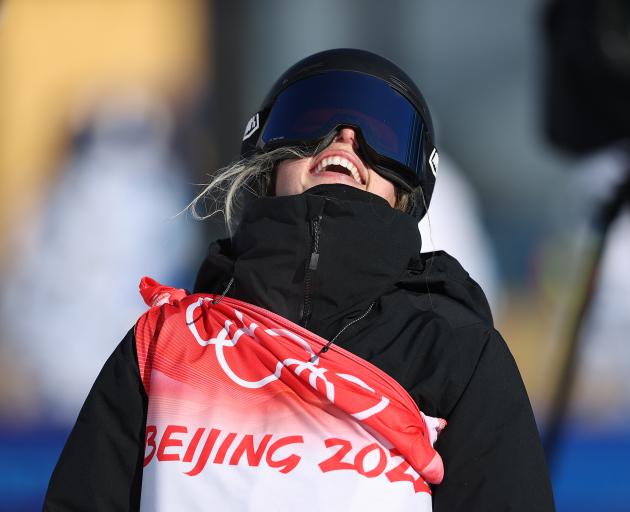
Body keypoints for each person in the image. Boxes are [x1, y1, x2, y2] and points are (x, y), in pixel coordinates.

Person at [44, 49, 554, 511]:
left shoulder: (452, 351)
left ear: (407, 192)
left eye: (387, 136)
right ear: (266, 161)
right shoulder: (165, 342)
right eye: (313, 118)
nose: (347, 138)